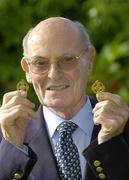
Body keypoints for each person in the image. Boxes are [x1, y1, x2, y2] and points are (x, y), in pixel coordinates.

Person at [0, 17, 129, 180]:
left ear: (89, 61)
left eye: (67, 60)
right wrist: (13, 146)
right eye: (40, 63)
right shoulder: (6, 137)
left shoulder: (122, 126)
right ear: (27, 69)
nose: (54, 74)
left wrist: (111, 146)